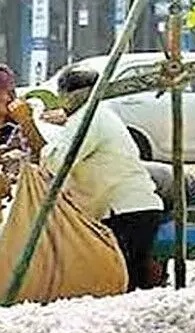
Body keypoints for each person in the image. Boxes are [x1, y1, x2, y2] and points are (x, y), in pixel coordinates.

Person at [41, 67, 165, 291]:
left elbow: (59, 163)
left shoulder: (88, 118)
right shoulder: (95, 115)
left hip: (124, 211)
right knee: (127, 280)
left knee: (124, 281)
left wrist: (35, 134)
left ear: (67, 94)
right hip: (128, 208)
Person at [143, 161, 195, 286]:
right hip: (182, 206)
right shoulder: (124, 169)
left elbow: (144, 221)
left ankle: (152, 281)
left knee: (144, 244)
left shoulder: (134, 177)